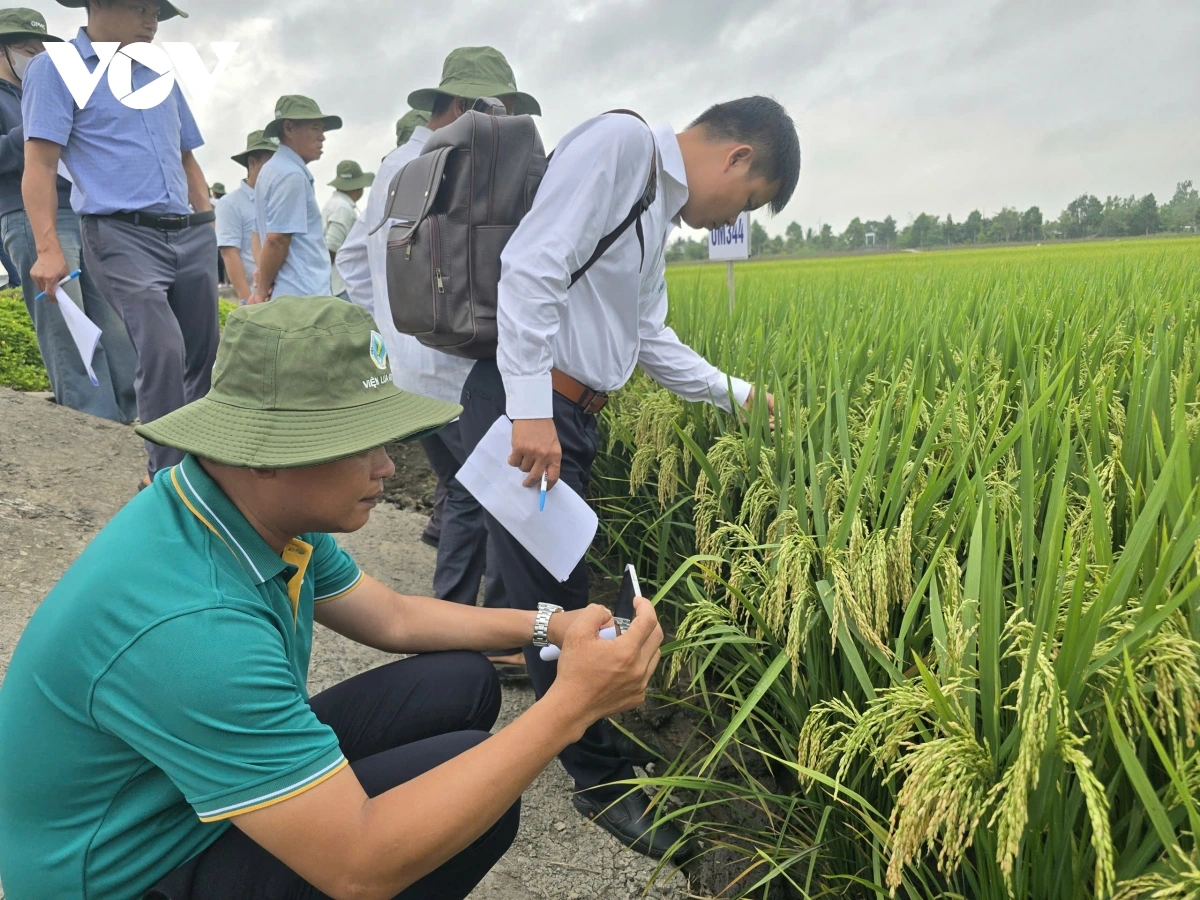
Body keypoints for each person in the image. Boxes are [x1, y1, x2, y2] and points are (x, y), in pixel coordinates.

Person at [0, 295, 665, 900]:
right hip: (128, 870)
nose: (387, 466)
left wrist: (551, 624)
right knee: (468, 808)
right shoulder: (195, 628)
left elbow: (393, 616)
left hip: (176, 799)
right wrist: (573, 704)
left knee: (460, 684)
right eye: (360, 444)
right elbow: (359, 869)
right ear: (264, 453)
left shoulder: (243, 507)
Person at [458, 95, 800, 858]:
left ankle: (569, 734)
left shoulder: (651, 206)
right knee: (558, 607)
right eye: (746, 202)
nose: (728, 222)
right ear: (737, 157)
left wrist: (738, 395)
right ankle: (601, 782)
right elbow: (531, 267)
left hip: (565, 416)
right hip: (531, 414)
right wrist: (530, 412)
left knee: (556, 587)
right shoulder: (621, 147)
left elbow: (647, 335)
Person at [337, 47, 539, 669]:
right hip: (459, 372)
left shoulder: (393, 166)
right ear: (461, 106)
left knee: (462, 494)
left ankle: (453, 625)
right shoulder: (465, 163)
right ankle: (492, 637)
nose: (502, 122)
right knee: (497, 500)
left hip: (406, 372)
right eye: (496, 109)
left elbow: (353, 261)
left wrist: (393, 325)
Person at [22, 0, 219, 487]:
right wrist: (48, 249)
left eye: (156, 10)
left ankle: (204, 466)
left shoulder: (160, 72)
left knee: (205, 354)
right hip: (120, 233)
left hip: (188, 231)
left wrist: (206, 222)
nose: (152, 20)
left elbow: (186, 157)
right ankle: (167, 478)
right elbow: (40, 165)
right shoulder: (56, 69)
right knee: (162, 347)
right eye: (139, 7)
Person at [0, 7, 137, 422]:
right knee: (67, 326)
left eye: (42, 49)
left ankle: (131, 414)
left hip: (80, 212)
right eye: (27, 49)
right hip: (30, 219)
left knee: (115, 323)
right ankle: (91, 421)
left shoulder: (47, 88)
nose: (37, 56)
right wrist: (39, 128)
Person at [251, 95, 341, 304]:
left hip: (289, 297)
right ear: (289, 128)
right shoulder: (291, 175)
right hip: (304, 299)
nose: (322, 137)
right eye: (315, 128)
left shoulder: (270, 170)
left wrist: (263, 278)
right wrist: (261, 291)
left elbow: (257, 234)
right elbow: (276, 239)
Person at [216, 129, 275, 305]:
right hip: (256, 298)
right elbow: (229, 253)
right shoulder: (230, 203)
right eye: (271, 163)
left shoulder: (279, 198)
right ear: (252, 163)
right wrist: (249, 300)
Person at [321, 159, 372, 301]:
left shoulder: (337, 204)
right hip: (341, 284)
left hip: (338, 282)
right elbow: (332, 246)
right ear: (358, 187)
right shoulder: (342, 208)